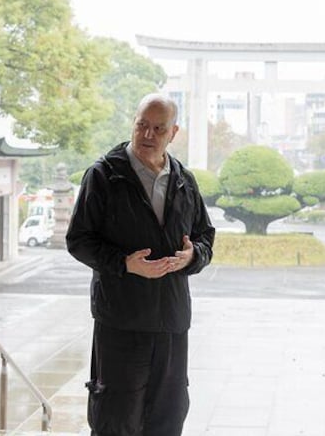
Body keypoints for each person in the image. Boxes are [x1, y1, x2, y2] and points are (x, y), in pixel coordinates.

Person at [67, 93, 215, 436]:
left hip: (172, 323)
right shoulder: (104, 175)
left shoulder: (183, 179)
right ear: (133, 124)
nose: (148, 135)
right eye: (142, 126)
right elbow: (79, 240)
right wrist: (124, 264)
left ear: (173, 132)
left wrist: (193, 257)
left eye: (158, 129)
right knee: (116, 419)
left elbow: (205, 235)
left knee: (169, 417)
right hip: (121, 322)